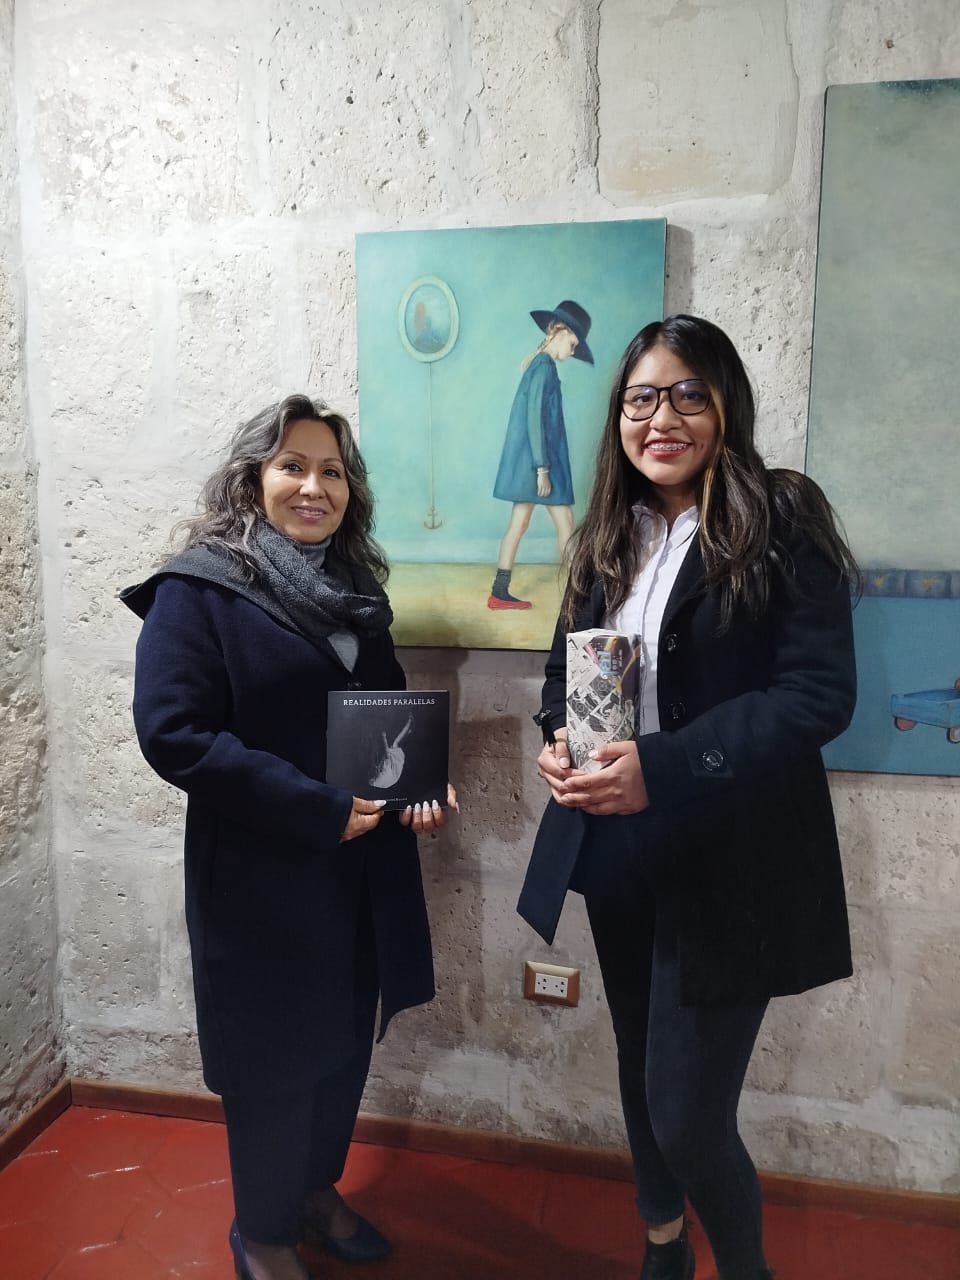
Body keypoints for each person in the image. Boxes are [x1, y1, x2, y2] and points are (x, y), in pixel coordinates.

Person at [518, 315, 858, 1280]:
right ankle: (663, 1242)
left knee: (688, 1110)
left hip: (732, 855)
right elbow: (565, 673)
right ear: (618, 415)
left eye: (686, 396)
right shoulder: (606, 533)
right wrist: (559, 741)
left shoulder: (778, 515)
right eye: (640, 398)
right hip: (617, 848)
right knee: (639, 1060)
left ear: (724, 406)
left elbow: (817, 694)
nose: (660, 418)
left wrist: (660, 769)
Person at [122, 395, 455, 1280]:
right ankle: (263, 1231)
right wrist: (315, 807)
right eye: (293, 466)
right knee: (274, 1059)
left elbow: (382, 711)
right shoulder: (199, 590)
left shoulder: (355, 594)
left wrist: (419, 785)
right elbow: (173, 734)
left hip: (359, 873)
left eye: (332, 471)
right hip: (263, 879)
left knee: (341, 1044)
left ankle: (314, 1190)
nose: (315, 487)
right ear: (253, 479)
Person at [488, 299, 594, 609]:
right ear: (561, 332)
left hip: (535, 461)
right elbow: (535, 418)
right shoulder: (544, 367)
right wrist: (542, 469)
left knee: (521, 523)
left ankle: (499, 592)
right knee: (564, 522)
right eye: (573, 345)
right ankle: (577, 595)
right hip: (542, 462)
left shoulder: (539, 365)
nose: (572, 352)